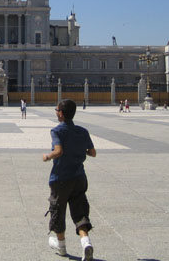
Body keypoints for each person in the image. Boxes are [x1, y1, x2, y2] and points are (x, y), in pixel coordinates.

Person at [42, 99, 96, 260]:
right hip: (79, 177)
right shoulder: (83, 131)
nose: (56, 112)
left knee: (58, 212)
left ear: (61, 113)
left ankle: (62, 247)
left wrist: (47, 156)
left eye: (56, 110)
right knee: (80, 211)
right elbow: (92, 152)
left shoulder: (57, 131)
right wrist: (79, 150)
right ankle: (86, 242)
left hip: (61, 178)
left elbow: (58, 151)